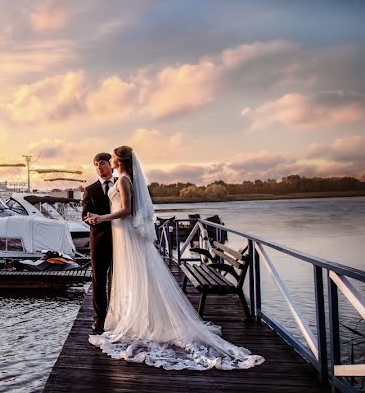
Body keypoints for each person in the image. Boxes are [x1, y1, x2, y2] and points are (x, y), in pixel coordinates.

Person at [84, 145, 264, 371]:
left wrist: (102, 218)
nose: (108, 161)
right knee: (131, 274)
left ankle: (141, 319)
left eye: (111, 159)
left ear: (119, 161)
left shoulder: (123, 181)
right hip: (119, 234)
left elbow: (128, 210)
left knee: (136, 273)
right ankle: (134, 315)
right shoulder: (124, 179)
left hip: (125, 232)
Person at [81, 152, 116, 335]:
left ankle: (118, 315)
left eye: (102, 163)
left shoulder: (122, 183)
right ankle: (99, 319)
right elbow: (85, 215)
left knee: (117, 279)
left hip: (120, 241)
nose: (99, 167)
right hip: (99, 241)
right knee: (99, 280)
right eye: (95, 164)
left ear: (110, 164)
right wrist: (91, 219)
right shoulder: (91, 189)